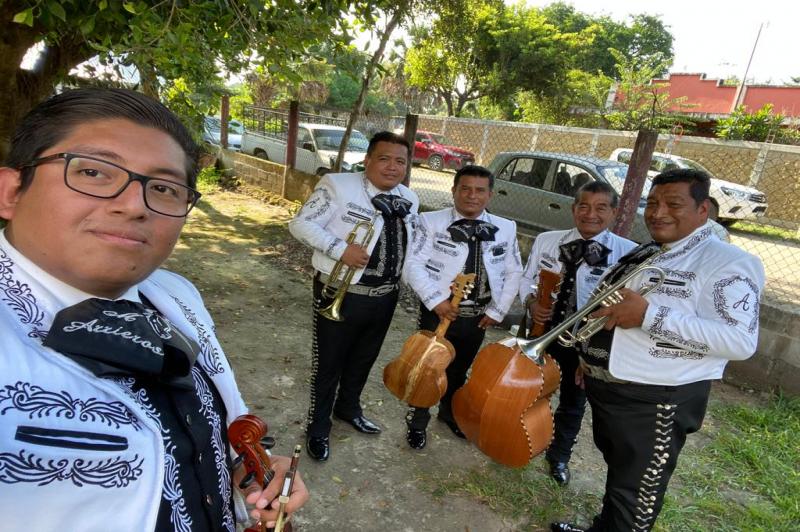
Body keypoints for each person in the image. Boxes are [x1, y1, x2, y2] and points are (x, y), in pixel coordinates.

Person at [0, 88, 309, 532]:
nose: (133, 205)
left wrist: (251, 472)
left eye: (163, 188)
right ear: (11, 191)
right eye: (93, 172)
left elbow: (221, 425)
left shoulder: (175, 293)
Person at [551, 169, 765, 532]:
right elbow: (609, 309)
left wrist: (650, 315)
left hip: (656, 401)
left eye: (673, 204)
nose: (658, 212)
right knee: (621, 476)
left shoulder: (728, 262)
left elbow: (740, 341)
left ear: (703, 210)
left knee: (636, 497)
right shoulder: (651, 251)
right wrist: (590, 357)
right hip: (612, 387)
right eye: (653, 203)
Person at [288, 131, 419, 461]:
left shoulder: (410, 199)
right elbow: (301, 224)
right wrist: (340, 249)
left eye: (400, 161)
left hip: (385, 295)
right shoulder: (338, 185)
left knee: (364, 358)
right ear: (368, 160)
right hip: (341, 291)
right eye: (384, 158)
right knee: (329, 363)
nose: (392, 167)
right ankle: (318, 428)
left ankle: (348, 408)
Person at [519, 181, 636, 485]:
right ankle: (518, 440)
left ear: (613, 212)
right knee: (527, 392)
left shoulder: (628, 253)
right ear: (573, 208)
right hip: (540, 334)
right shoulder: (547, 240)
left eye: (600, 208)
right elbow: (527, 279)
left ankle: (558, 457)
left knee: (573, 402)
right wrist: (532, 303)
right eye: (583, 206)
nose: (590, 214)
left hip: (584, 343)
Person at [402, 165, 522, 449]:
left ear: (490, 195)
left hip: (477, 317)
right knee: (428, 368)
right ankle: (418, 421)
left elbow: (514, 271)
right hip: (439, 312)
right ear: (453, 190)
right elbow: (412, 265)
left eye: (480, 190)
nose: (472, 196)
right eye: (465, 189)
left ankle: (448, 413)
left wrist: (497, 311)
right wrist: (436, 301)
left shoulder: (505, 228)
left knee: (459, 369)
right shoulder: (429, 221)